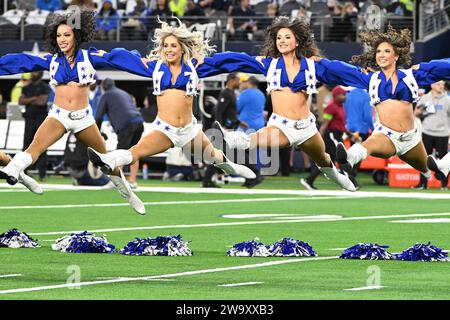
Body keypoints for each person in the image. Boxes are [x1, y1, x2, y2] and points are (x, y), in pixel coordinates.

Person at [0, 9, 145, 214]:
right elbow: (22, 61)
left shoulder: (90, 57)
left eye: (66, 35)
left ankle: (129, 193)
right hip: (59, 115)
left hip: (84, 118)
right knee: (35, 147)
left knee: (106, 160)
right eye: (58, 35)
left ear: (76, 36)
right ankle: (15, 173)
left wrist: (146, 64)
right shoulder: (51, 60)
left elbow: (118, 58)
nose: (62, 39)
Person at [87, 18, 256, 185]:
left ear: (182, 48)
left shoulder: (195, 66)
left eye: (173, 45)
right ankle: (107, 160)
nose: (169, 50)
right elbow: (124, 59)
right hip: (165, 130)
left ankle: (231, 168)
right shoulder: (155, 67)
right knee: (136, 151)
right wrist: (96, 56)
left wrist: (259, 62)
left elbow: (227, 61)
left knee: (215, 156)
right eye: (166, 45)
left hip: (189, 131)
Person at [205, 16, 357, 191]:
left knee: (323, 158)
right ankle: (228, 139)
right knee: (253, 139)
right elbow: (237, 59)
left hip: (306, 127)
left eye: (287, 37)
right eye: (278, 38)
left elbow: (342, 70)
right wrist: (206, 62)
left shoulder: (312, 65)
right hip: (281, 126)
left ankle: (336, 176)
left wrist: (367, 76)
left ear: (298, 41)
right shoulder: (269, 64)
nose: (282, 41)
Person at [310, 25, 450, 187]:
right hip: (387, 135)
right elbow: (342, 70)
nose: (381, 55)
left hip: (411, 138)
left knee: (427, 168)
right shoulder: (371, 78)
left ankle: (443, 167)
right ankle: (349, 157)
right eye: (378, 51)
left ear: (396, 55)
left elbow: (440, 67)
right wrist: (320, 64)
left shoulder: (412, 75)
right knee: (369, 145)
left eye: (386, 51)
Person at [301, 85, 354, 190]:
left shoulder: (340, 107)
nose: (345, 97)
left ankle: (309, 180)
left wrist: (351, 134)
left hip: (337, 135)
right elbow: (325, 123)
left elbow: (341, 125)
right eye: (343, 94)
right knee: (341, 158)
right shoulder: (331, 107)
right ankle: (349, 182)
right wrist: (318, 138)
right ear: (336, 95)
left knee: (328, 162)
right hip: (331, 135)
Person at [95, 78, 144, 188]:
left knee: (120, 152)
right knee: (135, 151)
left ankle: (116, 181)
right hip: (139, 122)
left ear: (103, 88)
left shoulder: (106, 95)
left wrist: (96, 133)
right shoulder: (125, 93)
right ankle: (132, 181)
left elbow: (98, 116)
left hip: (126, 124)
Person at [203, 72, 241, 188]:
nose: (239, 83)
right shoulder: (226, 93)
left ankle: (208, 180)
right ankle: (207, 180)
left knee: (221, 155)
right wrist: (221, 126)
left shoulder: (232, 93)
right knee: (218, 154)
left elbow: (230, 113)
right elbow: (219, 111)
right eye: (238, 80)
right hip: (222, 130)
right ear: (232, 80)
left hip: (228, 129)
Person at [414, 80, 450, 189]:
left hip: (443, 133)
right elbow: (416, 113)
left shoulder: (448, 100)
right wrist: (420, 112)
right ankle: (423, 184)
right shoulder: (424, 98)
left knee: (444, 161)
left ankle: (444, 185)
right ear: (432, 85)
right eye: (439, 84)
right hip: (427, 132)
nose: (441, 86)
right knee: (424, 159)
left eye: (442, 85)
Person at [19, 70, 50, 181]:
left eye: (35, 72)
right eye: (32, 72)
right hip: (29, 119)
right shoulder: (26, 87)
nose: (33, 74)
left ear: (41, 74)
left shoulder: (45, 87)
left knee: (42, 146)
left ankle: (42, 174)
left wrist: (28, 100)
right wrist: (34, 98)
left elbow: (42, 102)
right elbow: (21, 101)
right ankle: (23, 173)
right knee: (26, 146)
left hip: (41, 120)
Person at [236, 75, 266, 188]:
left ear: (249, 83)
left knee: (240, 152)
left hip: (246, 126)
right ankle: (251, 178)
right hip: (259, 126)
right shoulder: (261, 94)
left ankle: (252, 176)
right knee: (254, 154)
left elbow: (237, 108)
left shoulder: (245, 94)